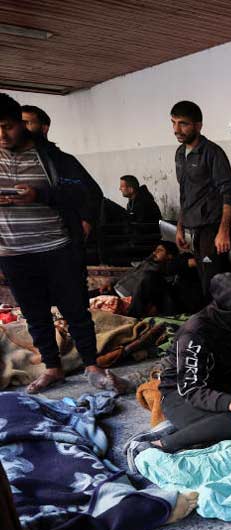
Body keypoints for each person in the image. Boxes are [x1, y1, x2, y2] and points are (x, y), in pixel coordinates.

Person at [0, 93, 125, 394]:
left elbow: (87, 193)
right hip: (13, 251)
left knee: (75, 308)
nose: (1, 136)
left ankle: (92, 365)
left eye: (7, 127)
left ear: (22, 124)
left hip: (56, 246)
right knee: (33, 312)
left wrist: (40, 196)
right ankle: (52, 368)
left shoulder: (52, 158)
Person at [126, 273, 231, 460]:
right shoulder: (196, 332)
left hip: (215, 392)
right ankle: (159, 445)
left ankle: (199, 429)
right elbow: (192, 388)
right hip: (181, 396)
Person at [170, 100, 231, 298]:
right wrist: (180, 227)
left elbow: (229, 192)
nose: (176, 129)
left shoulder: (213, 153)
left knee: (213, 283)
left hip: (212, 230)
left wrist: (223, 231)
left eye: (183, 123)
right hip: (194, 230)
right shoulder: (180, 154)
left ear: (198, 125)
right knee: (205, 279)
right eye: (173, 122)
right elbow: (184, 193)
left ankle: (223, 325)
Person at [21, 104, 100, 244]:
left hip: (60, 240)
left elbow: (92, 192)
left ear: (44, 128)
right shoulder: (9, 162)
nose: (21, 128)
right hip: (19, 243)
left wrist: (87, 221)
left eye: (27, 122)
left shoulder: (63, 161)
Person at [114, 241, 203, 318]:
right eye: (155, 250)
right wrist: (111, 284)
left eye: (160, 250)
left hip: (175, 305)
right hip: (124, 294)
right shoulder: (149, 263)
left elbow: (196, 262)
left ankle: (131, 317)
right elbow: (131, 274)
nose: (154, 252)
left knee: (149, 276)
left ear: (169, 256)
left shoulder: (174, 263)